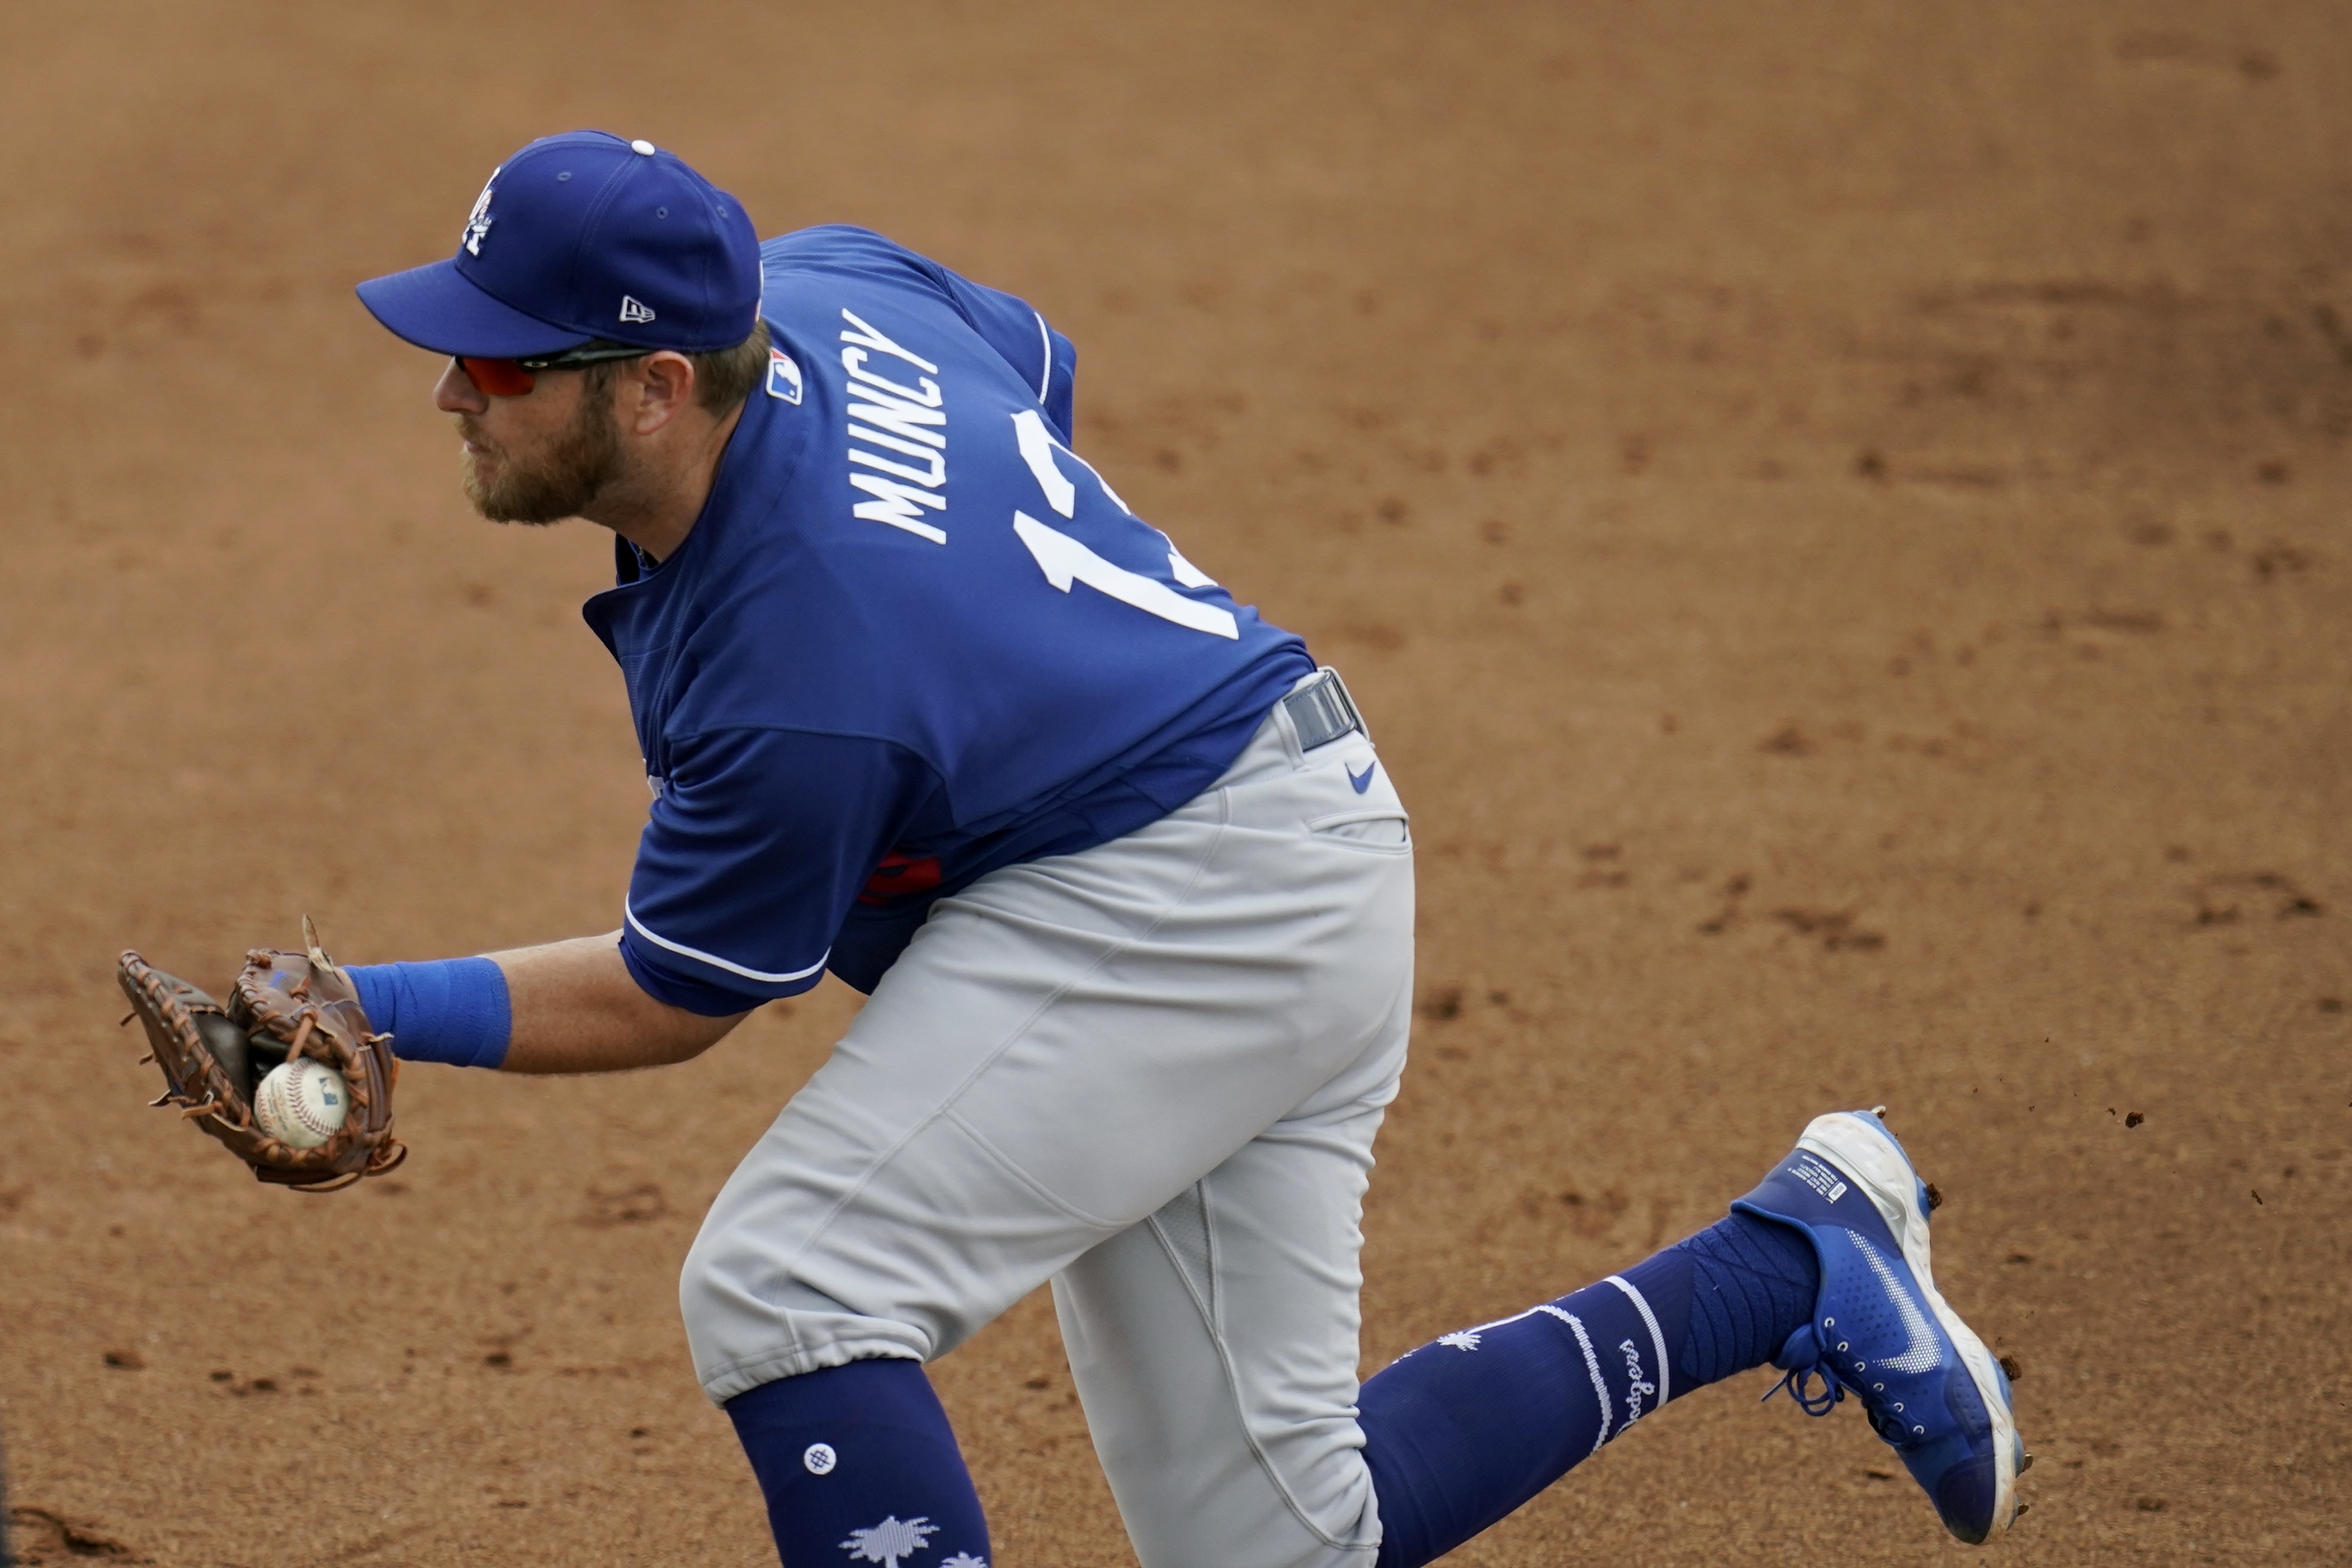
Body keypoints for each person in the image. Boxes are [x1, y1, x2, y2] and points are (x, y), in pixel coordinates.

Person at [348, 130, 2026, 1567]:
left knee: (793, 1290)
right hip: (1258, 827)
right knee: (1280, 1546)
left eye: (503, 366)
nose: (450, 390)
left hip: (1182, 891)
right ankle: (1787, 1261)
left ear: (653, 389)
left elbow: (676, 995)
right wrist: (1006, 655)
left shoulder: (806, 676)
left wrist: (377, 1009)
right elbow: (1033, 367)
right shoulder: (832, 286)